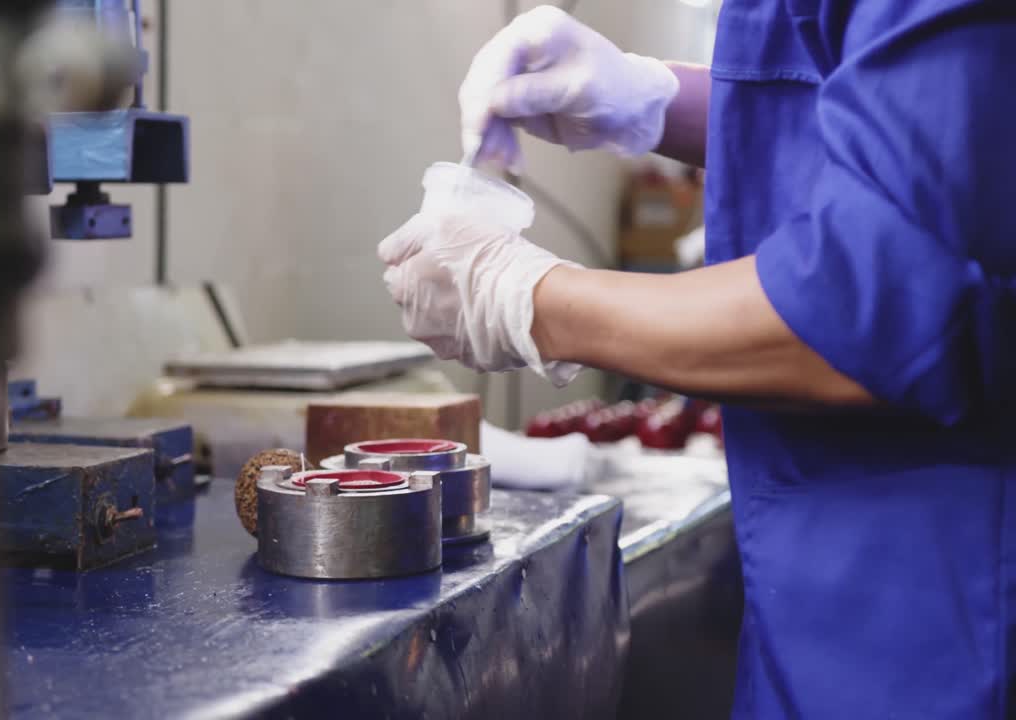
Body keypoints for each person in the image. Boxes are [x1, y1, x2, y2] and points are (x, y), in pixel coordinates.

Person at [379, 3, 1016, 717]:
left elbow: (877, 302)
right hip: (825, 606)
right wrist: (656, 100)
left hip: (941, 609)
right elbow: (913, 121)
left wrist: (529, 299)